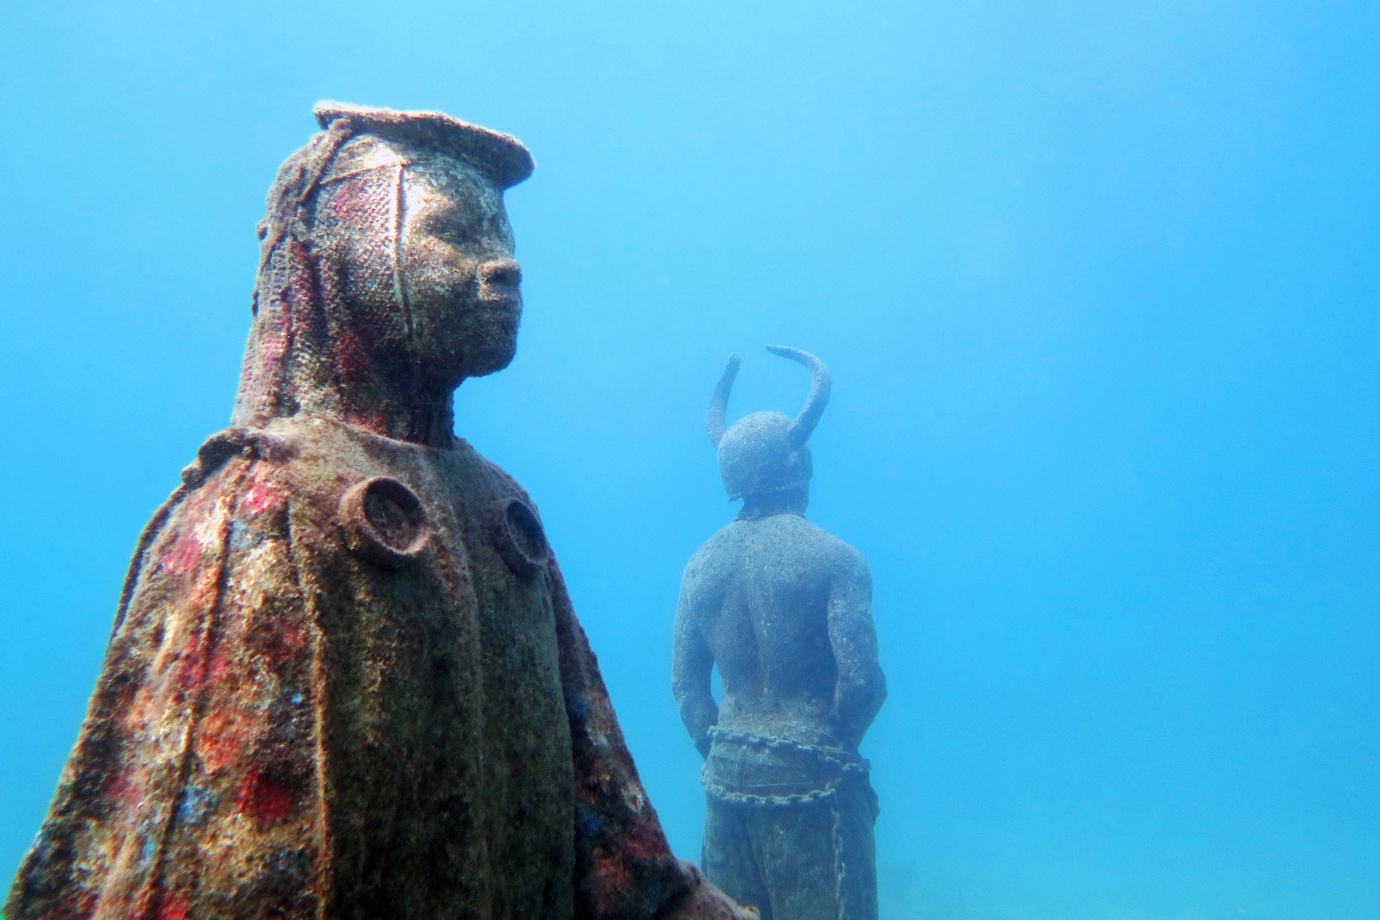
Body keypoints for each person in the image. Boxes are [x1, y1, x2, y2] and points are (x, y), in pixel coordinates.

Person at [6, 101, 753, 920]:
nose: (505, 265)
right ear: (337, 255)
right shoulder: (264, 504)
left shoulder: (502, 510)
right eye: (454, 233)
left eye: (503, 237)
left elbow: (599, 800)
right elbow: (195, 849)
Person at [673, 347, 886, 920]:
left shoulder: (700, 567)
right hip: (815, 783)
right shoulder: (836, 560)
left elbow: (688, 691)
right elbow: (863, 681)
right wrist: (827, 747)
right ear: (799, 469)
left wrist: (728, 748)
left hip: (726, 783)